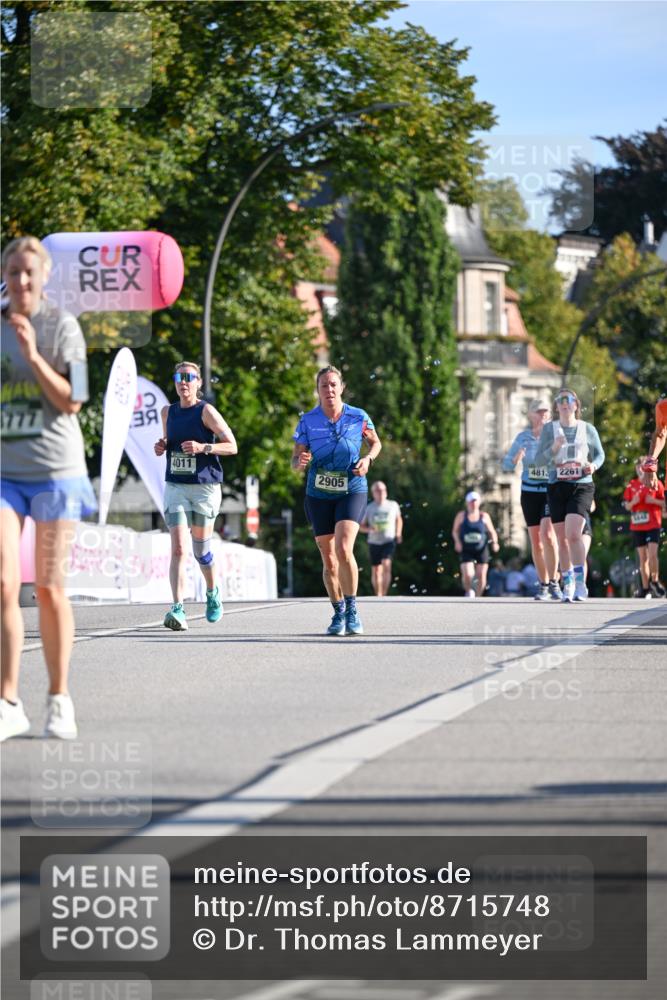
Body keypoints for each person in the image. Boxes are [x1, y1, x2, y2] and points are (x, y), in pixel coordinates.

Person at [1, 236, 97, 742]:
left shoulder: (62, 326)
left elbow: (74, 400)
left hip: (56, 472)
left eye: (29, 272)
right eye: (12, 272)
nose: (21, 281)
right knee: (3, 582)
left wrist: (33, 356)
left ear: (44, 277)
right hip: (5, 473)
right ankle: (8, 700)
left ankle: (59, 697)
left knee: (48, 588)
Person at [291, 365, 381, 636]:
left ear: (341, 388)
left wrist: (368, 459)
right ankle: (338, 611)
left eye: (333, 384)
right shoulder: (308, 421)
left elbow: (376, 443)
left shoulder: (358, 416)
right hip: (318, 494)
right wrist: (299, 461)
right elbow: (295, 460)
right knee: (329, 560)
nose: (329, 389)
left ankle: (352, 610)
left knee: (343, 549)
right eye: (324, 385)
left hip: (352, 488)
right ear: (317, 390)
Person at [154, 361, 237, 631]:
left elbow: (232, 446)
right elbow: (168, 441)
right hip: (176, 486)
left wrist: (204, 447)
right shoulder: (167, 412)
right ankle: (177, 608)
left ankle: (212, 592)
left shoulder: (206, 411)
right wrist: (162, 445)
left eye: (189, 377)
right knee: (178, 548)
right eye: (179, 377)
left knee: (201, 551)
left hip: (204, 488)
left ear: (198, 382)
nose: (183, 382)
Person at [535, 388, 605, 603]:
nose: (565, 403)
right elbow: (538, 461)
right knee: (562, 540)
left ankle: (580, 582)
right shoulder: (549, 430)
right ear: (557, 406)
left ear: (576, 405)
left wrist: (593, 466)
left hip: (581, 485)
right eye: (560, 400)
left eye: (569, 399)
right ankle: (568, 583)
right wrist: (554, 448)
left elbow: (600, 455)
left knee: (574, 534)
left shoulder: (587, 428)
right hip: (556, 486)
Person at [501, 398, 560, 600]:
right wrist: (515, 459)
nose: (542, 415)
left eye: (545, 411)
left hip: (549, 491)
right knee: (536, 542)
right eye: (538, 411)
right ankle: (543, 585)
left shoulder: (556, 436)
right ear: (530, 415)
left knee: (548, 535)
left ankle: (555, 582)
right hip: (529, 492)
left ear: (550, 415)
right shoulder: (522, 437)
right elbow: (507, 465)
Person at [623, 456, 665, 598]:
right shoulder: (632, 485)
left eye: (642, 466)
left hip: (653, 523)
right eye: (638, 467)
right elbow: (627, 506)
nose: (640, 469)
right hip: (637, 526)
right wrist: (633, 502)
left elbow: (664, 503)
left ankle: (655, 581)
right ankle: (645, 588)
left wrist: (653, 500)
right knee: (643, 558)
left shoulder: (655, 483)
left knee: (653, 554)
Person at [451, 491, 500, 598]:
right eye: (471, 501)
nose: (473, 503)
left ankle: (478, 597)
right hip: (466, 549)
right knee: (468, 574)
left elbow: (492, 531)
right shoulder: (461, 516)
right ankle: (469, 592)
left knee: (481, 574)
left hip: (481, 549)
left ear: (479, 502)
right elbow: (454, 531)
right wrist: (457, 542)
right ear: (467, 503)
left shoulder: (484, 516)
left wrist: (495, 543)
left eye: (475, 501)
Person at [360, 480, 402, 597]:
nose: (381, 492)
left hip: (389, 540)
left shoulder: (393, 505)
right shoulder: (369, 508)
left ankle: (384, 594)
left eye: (383, 489)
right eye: (378, 490)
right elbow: (360, 526)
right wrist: (370, 529)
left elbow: (399, 519)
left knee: (386, 564)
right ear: (373, 493)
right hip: (374, 542)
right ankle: (378, 595)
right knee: (376, 570)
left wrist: (398, 533)